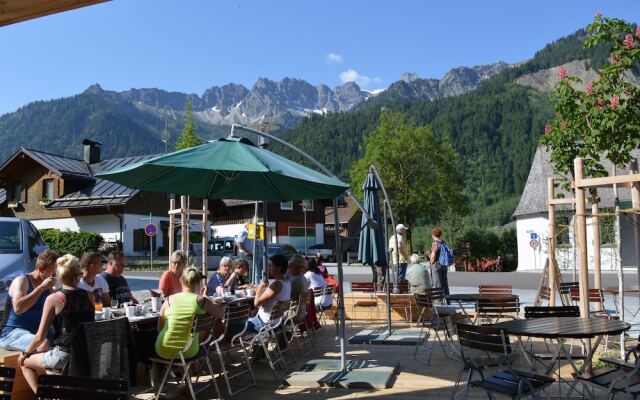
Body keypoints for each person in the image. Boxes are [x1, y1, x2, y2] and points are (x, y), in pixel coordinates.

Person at [19, 254, 95, 393]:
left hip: (63, 356)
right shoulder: (90, 295)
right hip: (85, 355)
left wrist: (25, 353)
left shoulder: (54, 298)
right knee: (47, 361)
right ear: (78, 275)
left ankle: (43, 396)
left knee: (24, 363)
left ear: (59, 276)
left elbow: (40, 337)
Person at [155, 267, 224, 360]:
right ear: (198, 283)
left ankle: (173, 372)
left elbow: (159, 328)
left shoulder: (168, 300)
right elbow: (221, 314)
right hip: (188, 351)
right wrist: (207, 297)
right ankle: (182, 370)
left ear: (180, 280)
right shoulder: (202, 301)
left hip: (164, 349)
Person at [0, 250, 58, 351]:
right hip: (12, 333)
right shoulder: (22, 281)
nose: (54, 275)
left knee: (71, 341)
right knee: (42, 344)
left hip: (36, 333)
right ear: (40, 269)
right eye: (52, 272)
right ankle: (25, 366)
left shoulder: (48, 288)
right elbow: (18, 308)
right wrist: (41, 288)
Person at [246, 255, 291, 333]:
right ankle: (258, 344)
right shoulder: (287, 282)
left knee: (232, 326)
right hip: (276, 322)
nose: (268, 268)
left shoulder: (277, 284)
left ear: (278, 268)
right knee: (250, 315)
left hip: (263, 324)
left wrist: (260, 287)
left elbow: (256, 303)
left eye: (270, 266)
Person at [287, 255, 309, 320]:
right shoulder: (303, 278)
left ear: (296, 267)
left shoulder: (294, 280)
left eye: (291, 265)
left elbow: (286, 298)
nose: (289, 268)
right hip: (301, 313)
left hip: (293, 314)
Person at [430, 227, 449, 296]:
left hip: (437, 264)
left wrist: (431, 261)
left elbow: (433, 255)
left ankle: (439, 301)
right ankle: (448, 299)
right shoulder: (443, 242)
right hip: (444, 264)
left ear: (433, 234)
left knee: (438, 283)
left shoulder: (435, 243)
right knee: (445, 283)